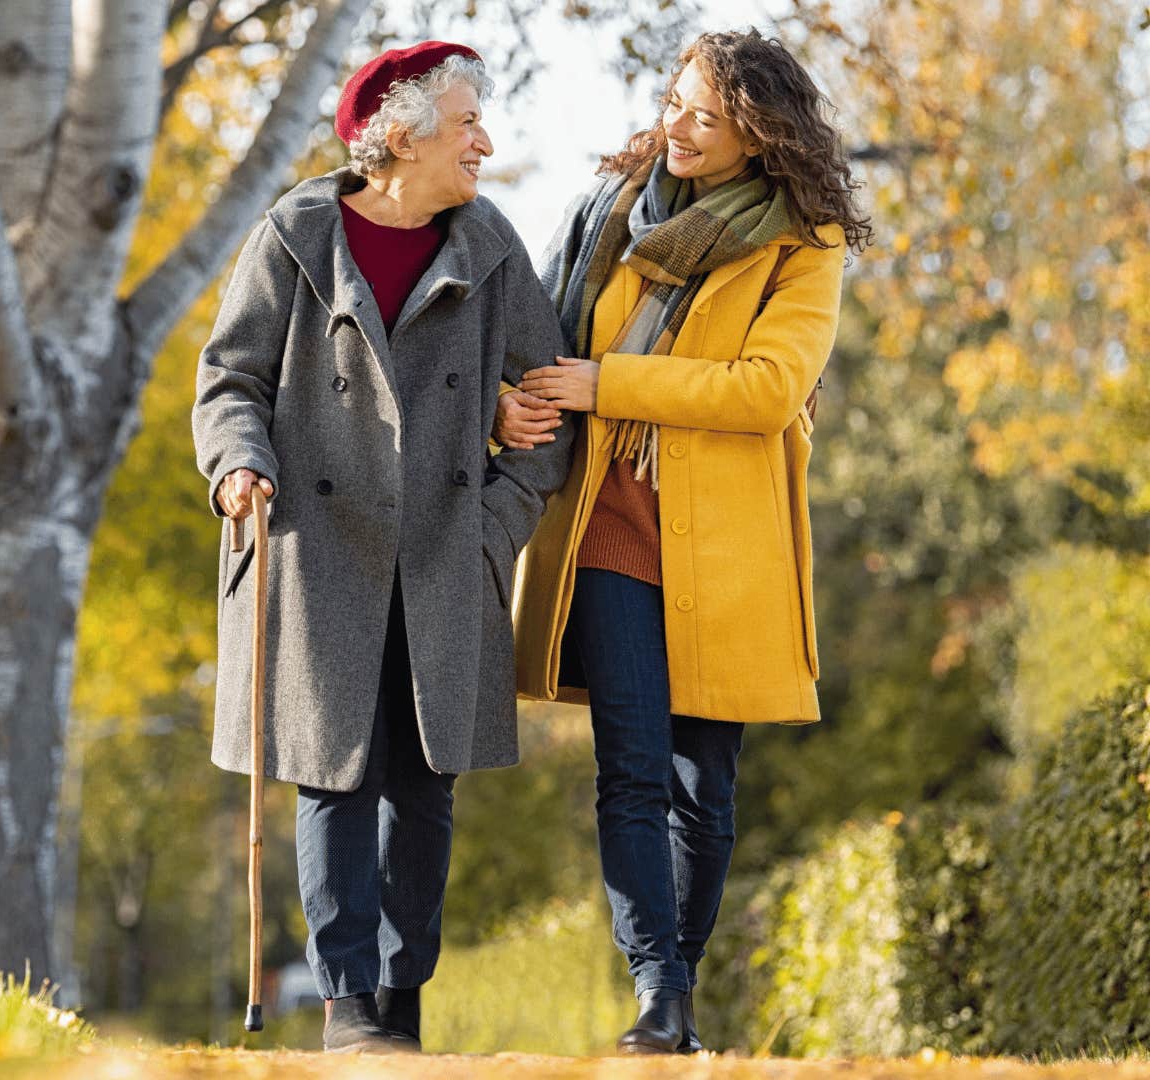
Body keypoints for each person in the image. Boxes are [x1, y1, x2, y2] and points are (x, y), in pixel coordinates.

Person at [495, 28, 874, 1054]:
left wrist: (610, 384)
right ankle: (657, 997)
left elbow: (765, 389)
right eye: (674, 102)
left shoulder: (804, 243)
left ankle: (681, 989)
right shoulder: (613, 211)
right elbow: (540, 335)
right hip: (610, 519)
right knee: (631, 765)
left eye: (705, 117)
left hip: (728, 546)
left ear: (758, 136)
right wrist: (511, 401)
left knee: (706, 785)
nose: (678, 127)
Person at [191, 41, 575, 1054]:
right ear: (398, 139)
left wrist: (495, 528)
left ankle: (403, 1003)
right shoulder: (296, 235)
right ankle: (349, 1003)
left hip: (447, 552)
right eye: (466, 126)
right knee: (336, 775)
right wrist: (236, 462)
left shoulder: (490, 245)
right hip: (320, 549)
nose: (486, 144)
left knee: (423, 782)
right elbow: (230, 379)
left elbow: (550, 406)